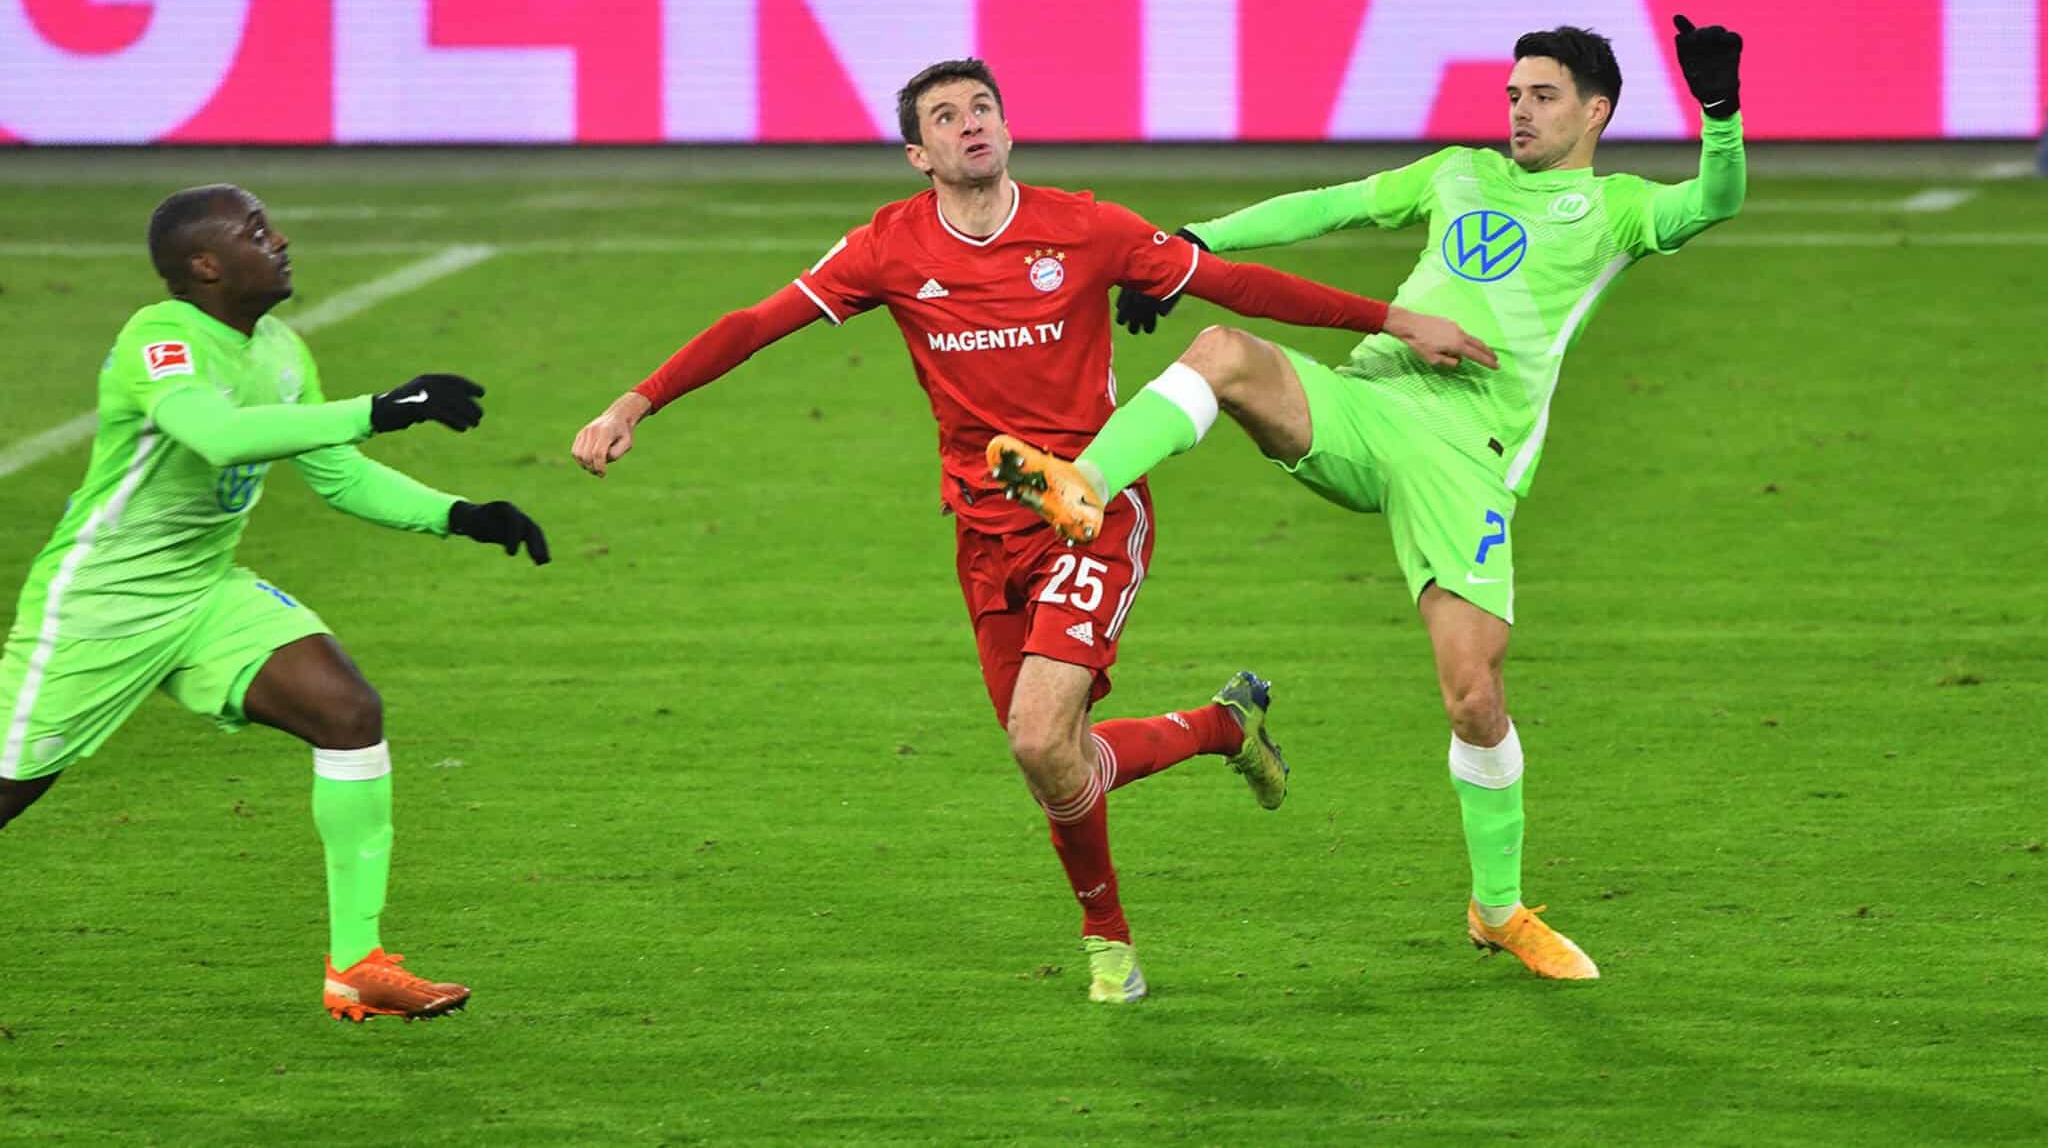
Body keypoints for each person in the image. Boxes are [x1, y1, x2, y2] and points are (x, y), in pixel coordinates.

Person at [571, 58, 1492, 1003]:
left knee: (1038, 740)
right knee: (1058, 759)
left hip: (1093, 514)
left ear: (1007, 129)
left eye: (983, 108)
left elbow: (1236, 287)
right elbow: (756, 323)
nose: (971, 123)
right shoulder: (889, 247)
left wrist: (1392, 318)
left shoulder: (1084, 229)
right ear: (917, 154)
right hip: (983, 535)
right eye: (946, 116)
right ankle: (1224, 725)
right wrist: (638, 400)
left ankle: (1109, 942)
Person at [989, 16, 1748, 982]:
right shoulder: (1457, 172)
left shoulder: (1616, 209)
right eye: (1514, 95)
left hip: (1467, 462)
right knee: (1223, 351)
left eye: (1543, 96)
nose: (1519, 111)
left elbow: (1715, 199)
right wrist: (1194, 245)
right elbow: (1328, 204)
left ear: (1596, 111)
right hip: (1369, 405)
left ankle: (1498, 910)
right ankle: (1083, 483)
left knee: (1475, 697)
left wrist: (1719, 110)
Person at [0, 184, 551, 1022]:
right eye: (257, 232)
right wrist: (382, 408)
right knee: (8, 790)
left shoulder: (283, 349)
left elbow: (338, 474)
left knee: (347, 710)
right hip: (102, 604)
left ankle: (356, 964)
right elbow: (216, 437)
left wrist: (459, 515)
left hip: (205, 590)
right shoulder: (159, 338)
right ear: (206, 264)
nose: (281, 239)